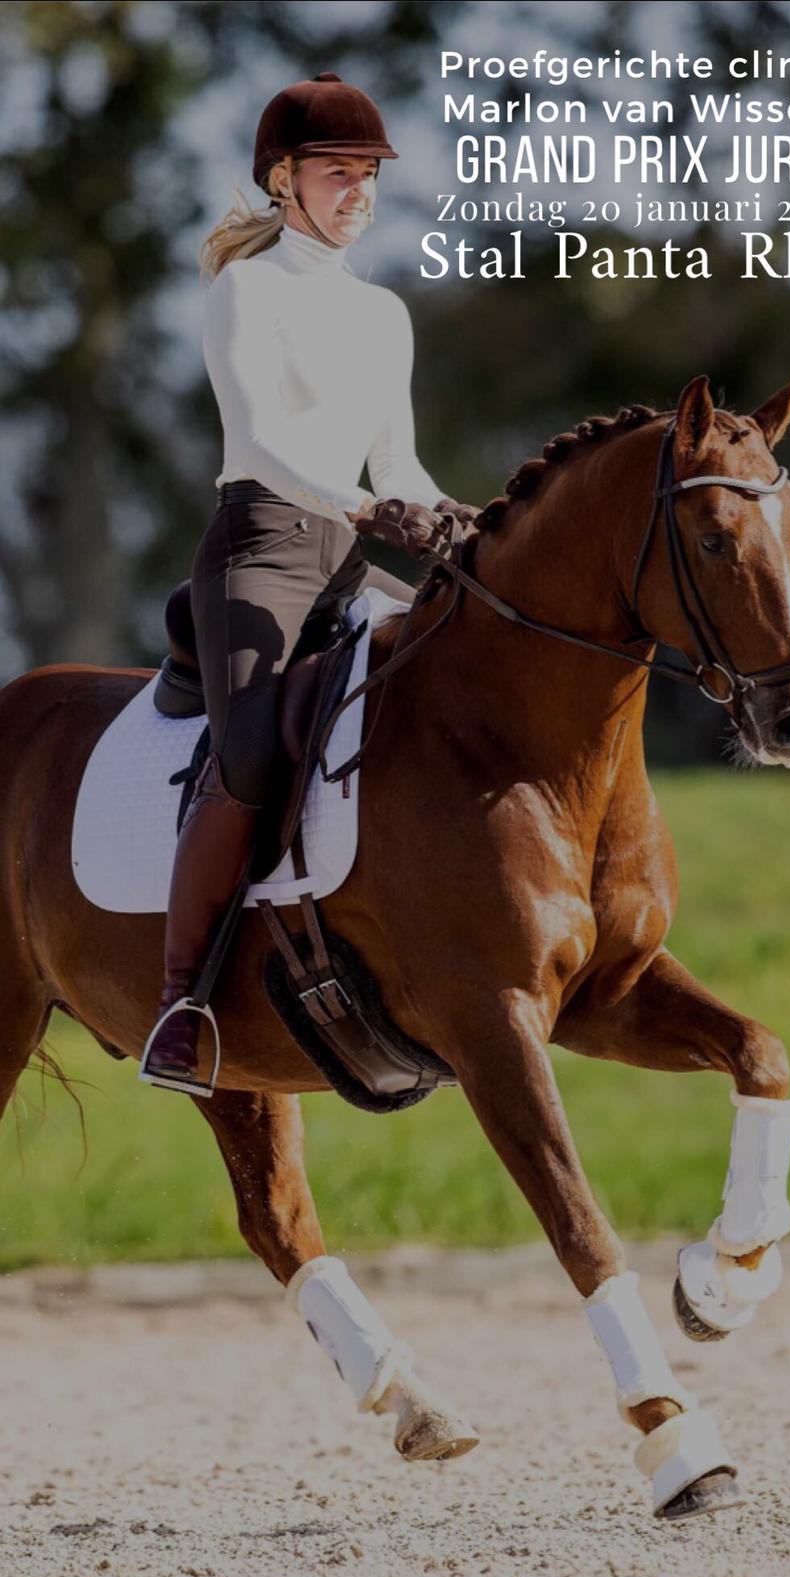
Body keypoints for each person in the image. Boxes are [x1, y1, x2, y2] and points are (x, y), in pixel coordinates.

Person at [142, 73, 477, 1090]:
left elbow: (400, 466)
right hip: (261, 550)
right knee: (249, 751)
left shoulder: (384, 314)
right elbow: (263, 437)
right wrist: (370, 509)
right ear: (282, 180)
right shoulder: (245, 291)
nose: (358, 193)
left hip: (343, 558)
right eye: (338, 174)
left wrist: (460, 517)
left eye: (367, 176)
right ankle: (181, 1003)